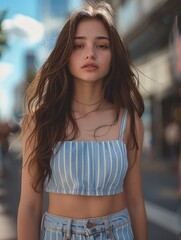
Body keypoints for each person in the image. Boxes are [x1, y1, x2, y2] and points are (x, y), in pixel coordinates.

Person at [17, 2, 148, 240]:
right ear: (65, 54)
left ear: (113, 55)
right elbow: (29, 206)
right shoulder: (40, 121)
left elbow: (136, 202)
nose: (91, 53)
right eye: (79, 45)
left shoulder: (129, 122)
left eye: (101, 45)